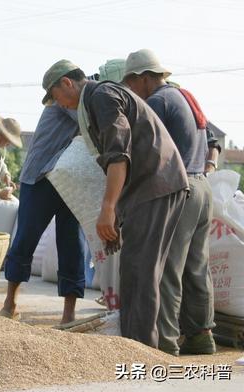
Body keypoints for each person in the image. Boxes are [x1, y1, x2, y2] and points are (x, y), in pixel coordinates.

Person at [43, 59, 188, 348]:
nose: (58, 104)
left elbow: (119, 156)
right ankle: (134, 344)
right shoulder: (96, 101)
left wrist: (108, 209)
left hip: (156, 185)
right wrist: (117, 214)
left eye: (55, 97)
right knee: (134, 270)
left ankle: (142, 350)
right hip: (148, 188)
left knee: (141, 271)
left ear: (67, 83)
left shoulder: (102, 96)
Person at [123, 49, 216, 355]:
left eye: (131, 84)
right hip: (203, 188)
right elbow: (210, 143)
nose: (131, 91)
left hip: (181, 191)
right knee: (196, 268)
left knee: (166, 269)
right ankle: (202, 336)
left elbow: (144, 153)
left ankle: (164, 343)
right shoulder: (186, 97)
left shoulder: (157, 102)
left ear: (143, 78)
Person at [0, 103, 87, 324]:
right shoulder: (62, 103)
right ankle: (9, 304)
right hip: (39, 179)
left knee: (72, 244)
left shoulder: (87, 99)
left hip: (71, 180)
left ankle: (69, 314)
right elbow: (92, 120)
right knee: (25, 239)